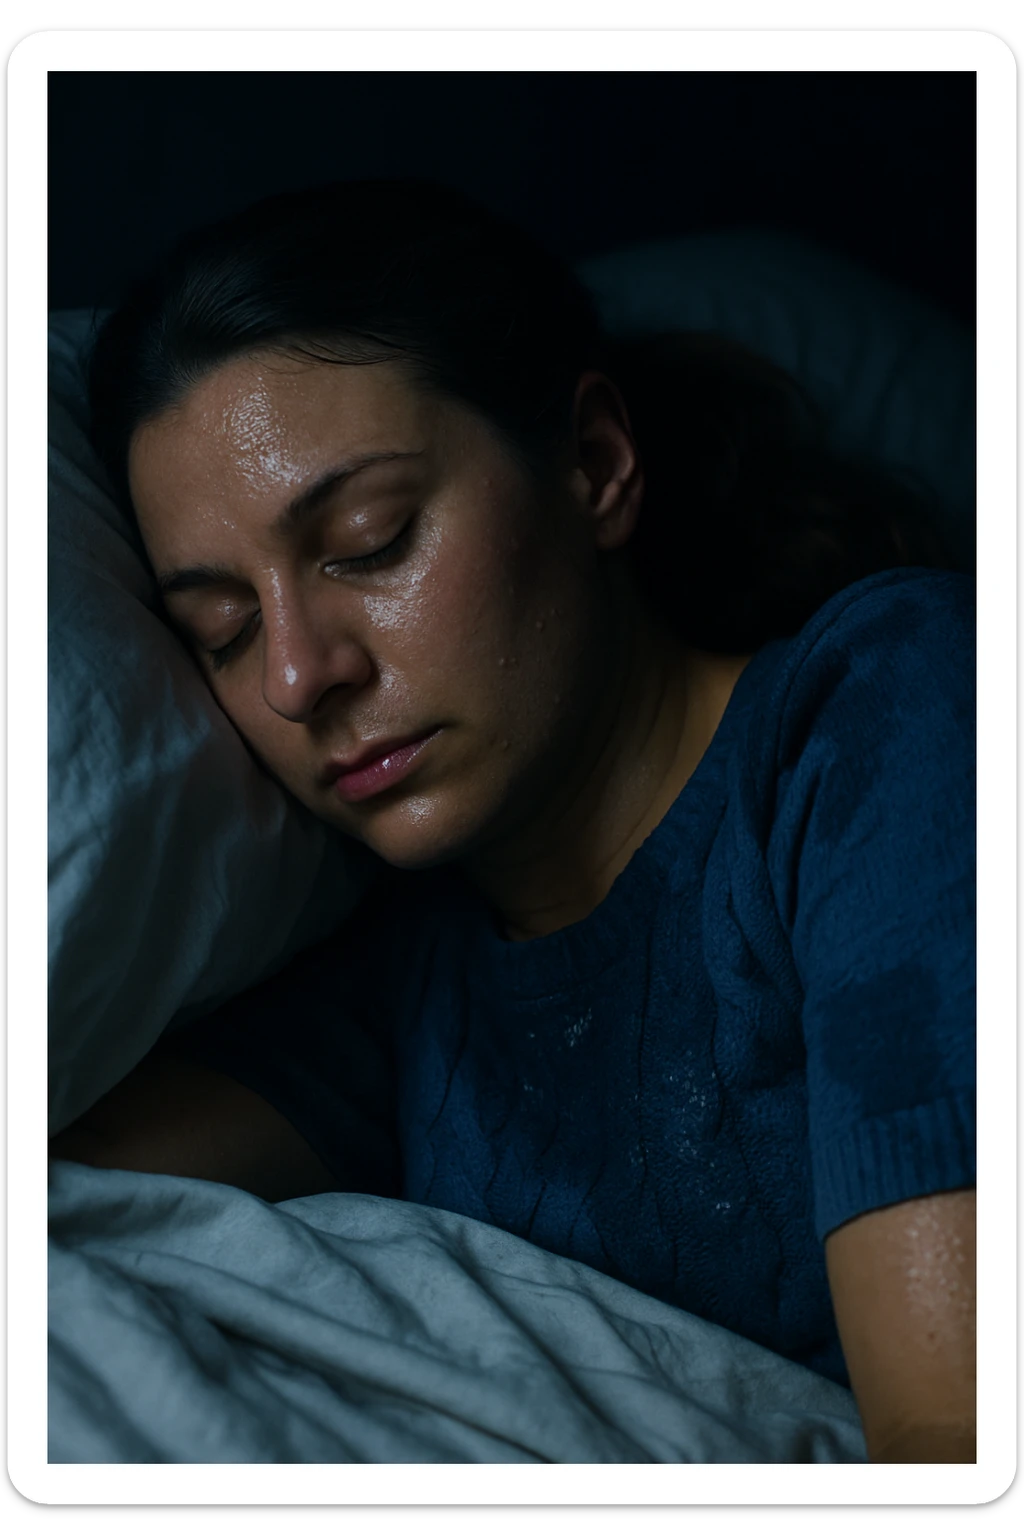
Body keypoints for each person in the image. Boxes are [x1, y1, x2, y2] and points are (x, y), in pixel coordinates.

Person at [53, 179, 976, 1463]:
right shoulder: (401, 984)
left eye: (369, 541)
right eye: (223, 628)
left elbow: (955, 1436)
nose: (297, 675)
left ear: (591, 463)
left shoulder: (885, 707)